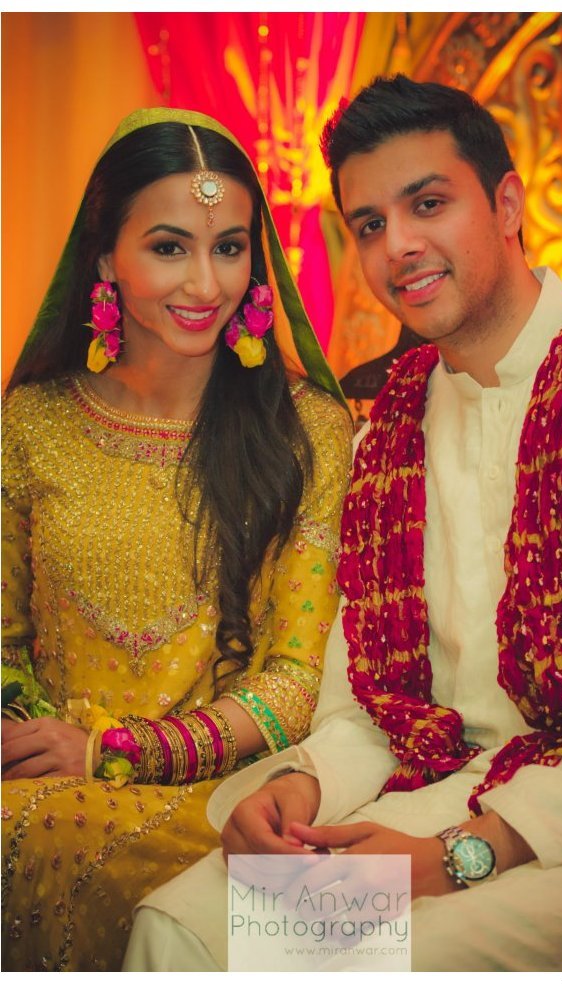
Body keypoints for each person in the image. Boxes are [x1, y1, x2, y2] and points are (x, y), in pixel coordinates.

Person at [124, 77, 562, 972]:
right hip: (440, 798)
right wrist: (299, 784)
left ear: (506, 205)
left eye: (427, 203)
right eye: (368, 224)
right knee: (182, 931)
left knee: (359, 961)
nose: (397, 245)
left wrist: (461, 854)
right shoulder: (387, 434)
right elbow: (370, 706)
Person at [0, 107, 353, 972]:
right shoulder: (30, 424)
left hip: (231, 795)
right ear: (104, 258)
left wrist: (112, 754)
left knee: (37, 829)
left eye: (229, 247)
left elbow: (294, 683)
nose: (205, 283)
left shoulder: (306, 430)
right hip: (43, 774)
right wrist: (32, 737)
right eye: (168, 247)